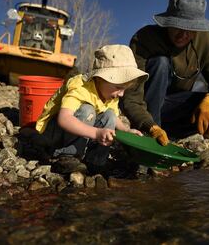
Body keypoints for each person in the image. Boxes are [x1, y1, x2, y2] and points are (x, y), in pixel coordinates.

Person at [121, 0, 209, 145]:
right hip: (146, 107)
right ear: (168, 22)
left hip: (172, 107)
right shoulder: (144, 38)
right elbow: (132, 96)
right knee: (160, 63)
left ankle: (173, 136)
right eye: (178, 27)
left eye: (191, 29)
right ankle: (151, 136)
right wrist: (150, 126)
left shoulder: (205, 40)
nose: (183, 35)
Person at [35, 44, 149, 172]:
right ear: (100, 78)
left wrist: (126, 131)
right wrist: (96, 133)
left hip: (79, 129)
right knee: (87, 110)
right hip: (54, 132)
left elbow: (114, 117)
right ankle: (66, 156)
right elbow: (64, 119)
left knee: (110, 115)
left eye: (124, 89)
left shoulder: (109, 94)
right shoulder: (80, 86)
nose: (121, 94)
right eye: (118, 87)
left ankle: (95, 160)